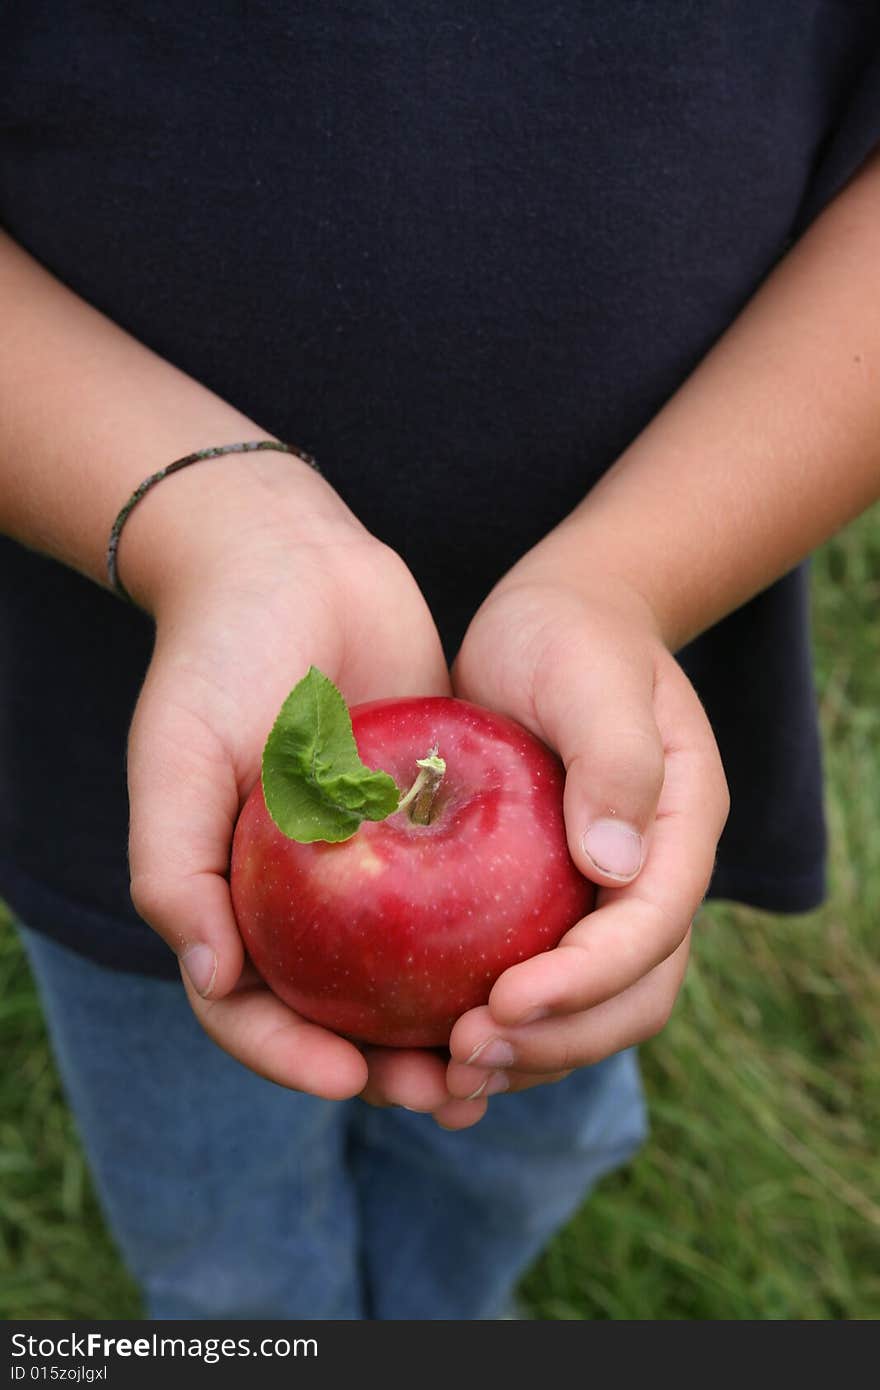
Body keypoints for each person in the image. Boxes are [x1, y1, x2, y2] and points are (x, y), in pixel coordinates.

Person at [1, 4, 878, 1320]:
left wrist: (626, 575)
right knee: (218, 1223)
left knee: (532, 1140)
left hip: (586, 731)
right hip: (139, 709)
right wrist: (199, 515)